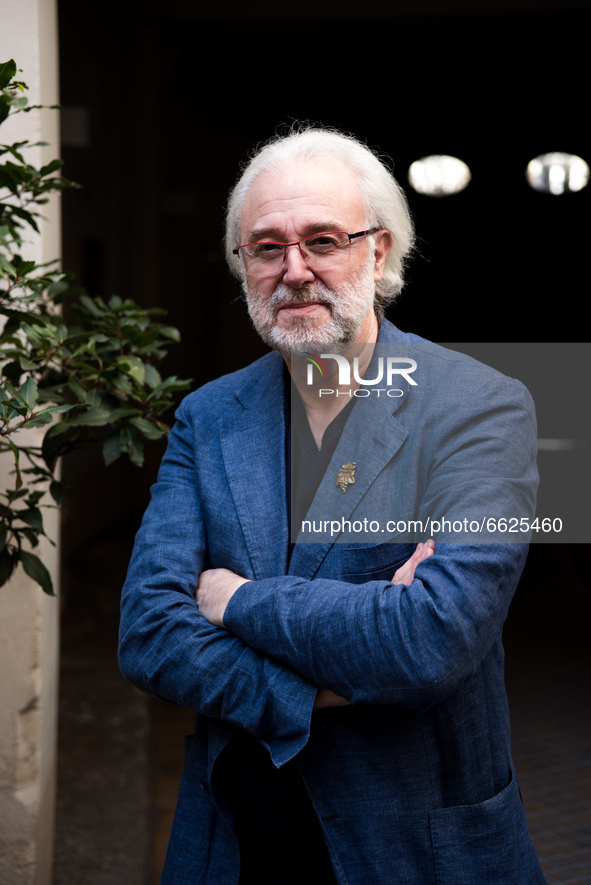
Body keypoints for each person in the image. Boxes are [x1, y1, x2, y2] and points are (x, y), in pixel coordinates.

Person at [118, 127, 546, 884]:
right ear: (241, 264)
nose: (294, 270)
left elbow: (430, 641)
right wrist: (326, 680)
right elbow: (149, 633)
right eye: (266, 247)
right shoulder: (208, 416)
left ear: (378, 253)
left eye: (323, 239)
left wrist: (234, 598)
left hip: (418, 851)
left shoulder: (484, 406)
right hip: (237, 846)